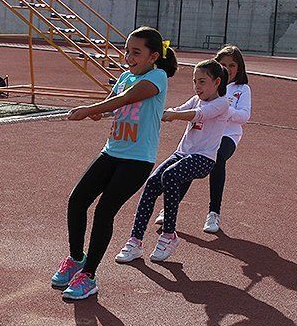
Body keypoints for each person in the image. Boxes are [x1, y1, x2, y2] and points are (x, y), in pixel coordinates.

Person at [50, 27, 177, 300]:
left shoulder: (158, 76)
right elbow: (115, 106)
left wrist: (89, 111)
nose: (128, 56)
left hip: (137, 160)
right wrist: (100, 114)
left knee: (105, 211)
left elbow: (126, 99)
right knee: (77, 200)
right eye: (127, 50)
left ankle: (89, 276)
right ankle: (76, 258)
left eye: (136, 52)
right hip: (112, 153)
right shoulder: (124, 77)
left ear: (153, 56)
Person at [115, 59, 230, 264]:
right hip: (182, 154)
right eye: (195, 81)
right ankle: (135, 241)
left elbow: (199, 115)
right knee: (151, 183)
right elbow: (178, 108)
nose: (197, 87)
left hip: (203, 158)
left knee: (169, 176)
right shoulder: (196, 98)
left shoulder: (222, 103)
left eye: (202, 82)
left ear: (217, 82)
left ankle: (169, 235)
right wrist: (153, 110)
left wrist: (174, 115)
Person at [156, 45, 252, 233]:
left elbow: (244, 116)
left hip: (228, 135)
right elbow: (186, 108)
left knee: (218, 158)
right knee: (188, 162)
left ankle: (213, 213)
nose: (227, 69)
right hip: (204, 134)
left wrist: (222, 110)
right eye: (222, 64)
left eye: (232, 65)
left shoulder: (242, 89)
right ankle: (169, 209)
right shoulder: (207, 87)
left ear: (239, 68)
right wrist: (168, 113)